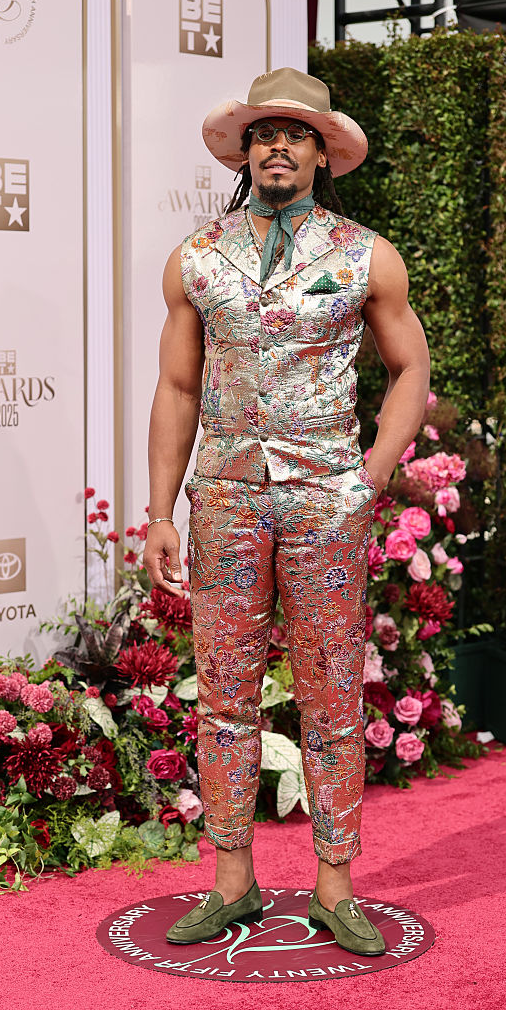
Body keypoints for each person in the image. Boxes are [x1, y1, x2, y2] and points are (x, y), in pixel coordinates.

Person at [142, 67, 430, 956]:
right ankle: (232, 883)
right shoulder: (196, 257)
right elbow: (177, 388)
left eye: (295, 134)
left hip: (323, 502)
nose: (277, 146)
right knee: (223, 698)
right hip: (225, 498)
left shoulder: (365, 255)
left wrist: (367, 478)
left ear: (322, 153)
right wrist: (160, 512)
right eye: (264, 133)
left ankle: (334, 888)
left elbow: (409, 370)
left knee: (332, 694)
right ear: (243, 151)